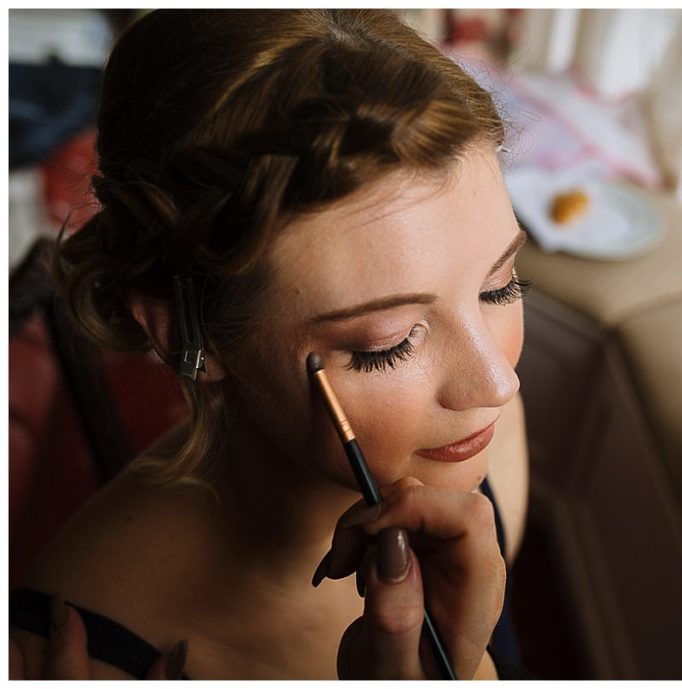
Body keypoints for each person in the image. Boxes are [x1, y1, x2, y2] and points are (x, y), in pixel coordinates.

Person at [9, 9, 531, 680]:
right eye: (388, 344)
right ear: (189, 334)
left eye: (498, 287)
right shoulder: (96, 656)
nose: (496, 382)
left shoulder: (467, 431)